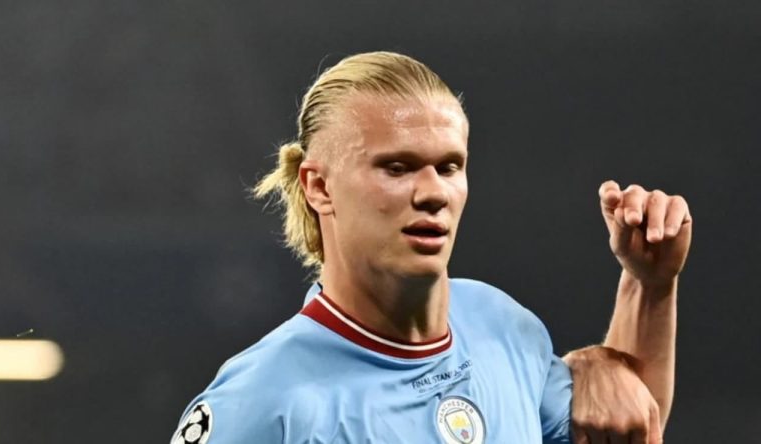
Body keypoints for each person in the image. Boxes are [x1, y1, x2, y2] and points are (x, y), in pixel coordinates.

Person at [171, 52, 691, 444]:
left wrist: (650, 284)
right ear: (319, 187)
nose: (433, 193)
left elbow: (630, 427)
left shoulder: (501, 325)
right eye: (397, 168)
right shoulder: (262, 403)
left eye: (449, 167)